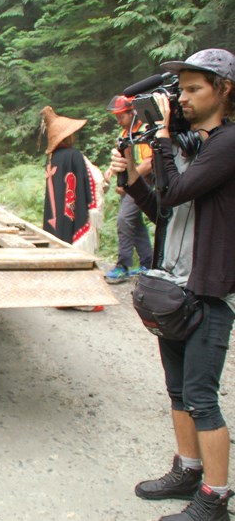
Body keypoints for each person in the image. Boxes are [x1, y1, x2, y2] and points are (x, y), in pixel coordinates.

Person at [112, 48, 235, 521]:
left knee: (202, 398)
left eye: (192, 88)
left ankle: (216, 497)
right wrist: (131, 181)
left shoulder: (228, 143)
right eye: (179, 89)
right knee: (179, 391)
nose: (181, 98)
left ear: (223, 90)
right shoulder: (195, 146)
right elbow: (166, 209)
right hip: (175, 287)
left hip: (207, 292)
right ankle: (187, 469)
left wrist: (162, 139)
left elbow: (179, 190)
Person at [39, 106, 105, 255]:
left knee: (58, 232)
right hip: (72, 214)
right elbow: (90, 179)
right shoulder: (73, 155)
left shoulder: (52, 158)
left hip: (55, 219)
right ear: (67, 136)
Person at [103, 95, 154, 283]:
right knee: (136, 223)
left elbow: (149, 163)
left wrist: (128, 184)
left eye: (121, 115)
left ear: (132, 112)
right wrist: (112, 170)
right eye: (116, 115)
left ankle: (122, 266)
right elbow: (122, 158)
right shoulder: (125, 133)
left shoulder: (143, 131)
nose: (118, 119)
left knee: (124, 220)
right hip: (130, 183)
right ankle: (147, 264)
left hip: (144, 182)